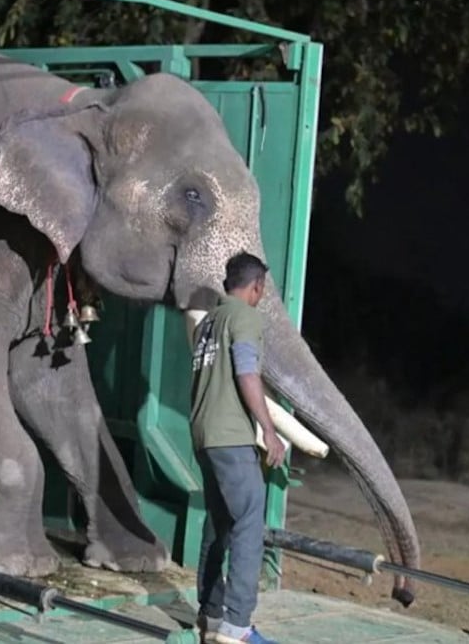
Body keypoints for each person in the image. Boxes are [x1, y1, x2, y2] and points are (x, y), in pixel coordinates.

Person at [189, 251, 287, 644]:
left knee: (218, 527)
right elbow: (247, 371)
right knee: (249, 522)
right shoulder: (245, 318)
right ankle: (237, 627)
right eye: (262, 289)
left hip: (202, 436)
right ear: (257, 287)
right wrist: (269, 429)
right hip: (231, 437)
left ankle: (211, 619)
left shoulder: (208, 323)